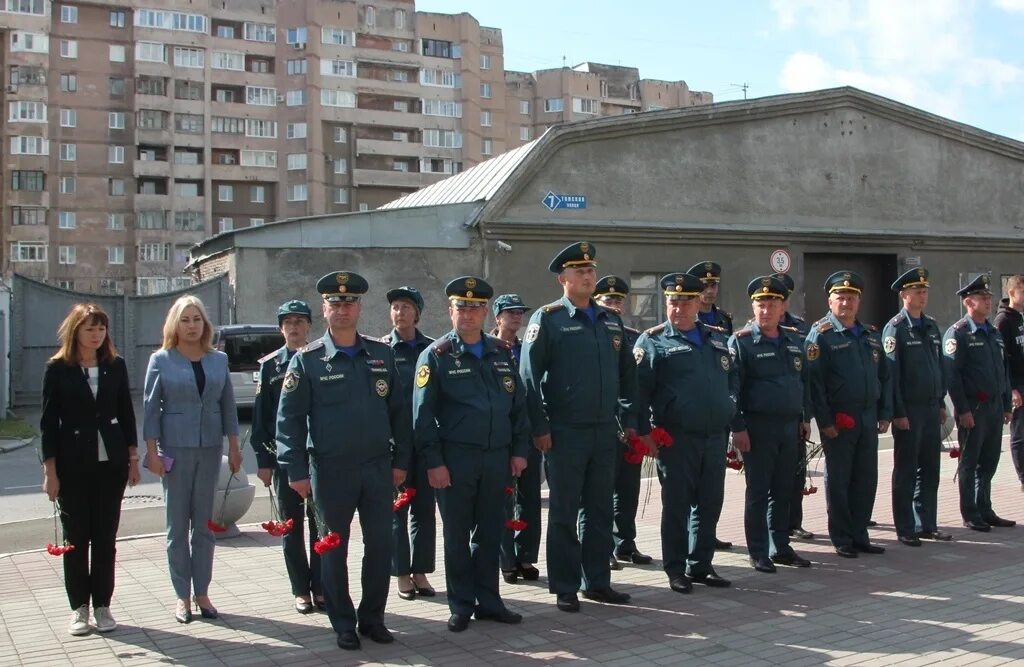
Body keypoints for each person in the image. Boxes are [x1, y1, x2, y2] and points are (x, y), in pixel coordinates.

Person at [276, 271, 408, 651]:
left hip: (378, 467)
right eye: (335, 302)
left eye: (349, 302)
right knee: (333, 549)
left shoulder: (381, 354)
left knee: (382, 546)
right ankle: (343, 623)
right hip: (331, 471)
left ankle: (373, 618)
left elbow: (399, 412)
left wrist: (401, 461)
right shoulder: (308, 360)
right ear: (324, 309)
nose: (343, 309)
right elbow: (289, 421)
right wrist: (296, 471)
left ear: (360, 307)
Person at [520, 241, 637, 612]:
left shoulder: (610, 320)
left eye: (591, 270)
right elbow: (528, 377)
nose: (588, 276)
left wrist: (630, 419)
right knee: (566, 512)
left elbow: (628, 377)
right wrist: (540, 427)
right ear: (563, 279)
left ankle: (597, 581)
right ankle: (566, 585)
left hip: (605, 431)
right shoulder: (549, 319)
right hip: (565, 432)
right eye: (580, 271)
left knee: (600, 510)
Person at [413, 277, 530, 632]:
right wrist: (434, 462)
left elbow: (518, 407)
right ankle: (461, 604)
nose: (468, 314)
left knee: (491, 533)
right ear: (450, 312)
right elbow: (421, 417)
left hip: (496, 458)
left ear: (485, 312)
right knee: (457, 536)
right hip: (455, 461)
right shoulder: (436, 356)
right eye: (461, 307)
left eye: (475, 307)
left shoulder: (500, 352)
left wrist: (519, 452)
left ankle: (490, 601)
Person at [40, 303, 140, 636]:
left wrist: (133, 458)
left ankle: (103, 606)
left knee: (105, 538)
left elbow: (126, 414)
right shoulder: (58, 369)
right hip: (72, 466)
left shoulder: (115, 365)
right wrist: (50, 472)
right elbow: (48, 425)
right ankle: (79, 608)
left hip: (110, 466)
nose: (96, 335)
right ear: (75, 332)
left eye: (101, 329)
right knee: (76, 538)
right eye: (89, 329)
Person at [634, 273, 737, 593]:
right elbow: (638, 393)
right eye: (672, 302)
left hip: (714, 436)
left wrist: (733, 419)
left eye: (685, 301)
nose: (678, 308)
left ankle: (701, 564)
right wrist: (644, 433)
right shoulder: (652, 341)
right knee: (677, 506)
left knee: (709, 504)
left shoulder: (717, 338)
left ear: (698, 303)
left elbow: (731, 383)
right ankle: (675, 568)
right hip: (677, 438)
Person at [143, 295, 241, 623]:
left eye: (196, 319)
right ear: (175, 324)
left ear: (205, 324)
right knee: (176, 526)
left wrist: (235, 444)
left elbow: (228, 405)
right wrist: (152, 450)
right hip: (174, 449)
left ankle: (202, 592)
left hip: (210, 449)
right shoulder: (162, 360)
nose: (191, 325)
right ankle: (181, 596)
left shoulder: (218, 360)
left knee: (204, 526)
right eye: (185, 320)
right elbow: (150, 408)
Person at [804, 271, 891, 558]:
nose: (846, 302)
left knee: (866, 478)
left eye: (851, 297)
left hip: (867, 418)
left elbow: (884, 376)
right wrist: (825, 421)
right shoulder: (822, 334)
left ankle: (859, 534)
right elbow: (814, 383)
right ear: (830, 301)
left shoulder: (869, 334)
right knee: (840, 480)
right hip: (840, 421)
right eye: (840, 297)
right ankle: (841, 537)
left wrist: (884, 412)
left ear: (859, 300)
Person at [729, 276, 813, 573]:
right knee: (759, 491)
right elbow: (733, 390)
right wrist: (738, 427)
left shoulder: (793, 341)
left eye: (772, 304)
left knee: (784, 489)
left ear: (782, 307)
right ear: (753, 307)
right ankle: (758, 550)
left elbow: (803, 383)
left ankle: (781, 546)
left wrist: (805, 418)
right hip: (758, 428)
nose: (766, 310)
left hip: (789, 427)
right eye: (760, 304)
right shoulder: (741, 342)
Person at [251, 299, 323, 613]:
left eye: (299, 321)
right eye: (288, 322)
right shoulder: (270, 366)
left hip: (318, 456)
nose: (294, 327)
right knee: (291, 526)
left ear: (309, 326)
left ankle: (321, 587)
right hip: (284, 459)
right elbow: (261, 418)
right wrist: (263, 462)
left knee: (321, 524)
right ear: (281, 328)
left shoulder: (321, 359)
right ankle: (300, 590)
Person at [882, 269, 952, 546]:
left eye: (924, 291)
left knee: (930, 468)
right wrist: (897, 412)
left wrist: (941, 401)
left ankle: (927, 523)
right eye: (916, 291)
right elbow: (892, 375)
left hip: (930, 406)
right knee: (907, 470)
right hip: (908, 410)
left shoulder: (932, 326)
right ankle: (906, 526)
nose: (922, 296)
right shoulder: (896, 328)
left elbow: (938, 368)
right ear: (904, 295)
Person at [943, 275, 1015, 532]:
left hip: (995, 408)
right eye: (982, 298)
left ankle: (985, 507)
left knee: (990, 460)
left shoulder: (993, 333)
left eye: (989, 297)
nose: (988, 301)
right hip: (974, 409)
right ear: (968, 302)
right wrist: (962, 410)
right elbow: (953, 376)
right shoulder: (959, 333)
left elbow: (1002, 370)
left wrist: (1006, 404)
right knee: (970, 461)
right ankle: (970, 512)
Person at [594, 275, 653, 569]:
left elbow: (638, 387)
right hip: (604, 423)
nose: (614, 305)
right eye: (608, 300)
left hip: (630, 424)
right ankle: (602, 547)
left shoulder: (632, 336)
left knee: (628, 490)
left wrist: (641, 428)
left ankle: (626, 544)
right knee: (602, 491)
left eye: (618, 300)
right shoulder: (592, 332)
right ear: (597, 302)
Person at [382, 286, 437, 600]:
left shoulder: (432, 350)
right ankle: (402, 573)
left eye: (405, 307)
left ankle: (421, 571)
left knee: (424, 510)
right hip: (394, 446)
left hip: (425, 443)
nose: (399, 312)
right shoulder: (381, 350)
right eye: (395, 307)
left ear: (417, 312)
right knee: (396, 511)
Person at [491, 293, 542, 584]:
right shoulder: (489, 349)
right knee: (503, 500)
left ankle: (525, 556)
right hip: (501, 436)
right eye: (510, 313)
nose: (516, 318)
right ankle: (506, 559)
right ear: (497, 317)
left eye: (520, 313)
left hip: (528, 434)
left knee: (529, 497)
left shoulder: (527, 348)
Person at [687, 260, 734, 551]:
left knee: (713, 485)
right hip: (692, 414)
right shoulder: (689, 318)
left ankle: (708, 532)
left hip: (718, 410)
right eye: (703, 285)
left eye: (713, 284)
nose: (709, 290)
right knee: (689, 486)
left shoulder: (724, 320)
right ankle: (690, 538)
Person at [771, 272, 815, 541]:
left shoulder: (800, 328)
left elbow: (807, 375)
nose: (780, 304)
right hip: (768, 418)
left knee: (796, 473)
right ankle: (773, 529)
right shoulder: (755, 329)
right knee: (770, 480)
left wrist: (806, 415)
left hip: (795, 414)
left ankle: (794, 522)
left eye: (783, 299)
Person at [994, 274, 1024, 491]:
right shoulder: (1003, 320)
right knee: (1019, 434)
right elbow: (1003, 358)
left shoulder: (1020, 317)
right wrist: (1011, 387)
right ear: (1012, 292)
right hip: (1016, 385)